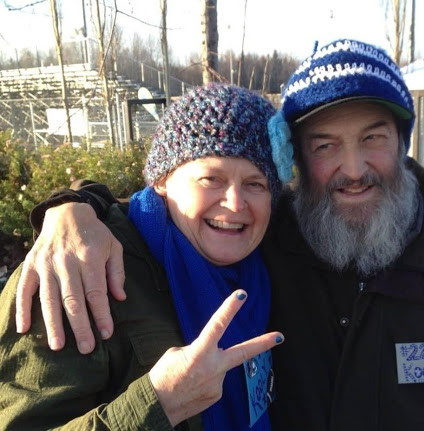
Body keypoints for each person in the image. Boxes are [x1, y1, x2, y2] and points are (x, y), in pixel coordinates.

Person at [16, 39, 424, 430]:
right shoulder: (267, 244)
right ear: (298, 161)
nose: (354, 168)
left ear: (402, 143)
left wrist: (74, 207)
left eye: (373, 139)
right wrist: (73, 209)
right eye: (325, 145)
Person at [0, 83, 287, 430]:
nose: (236, 203)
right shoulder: (79, 270)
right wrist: (158, 402)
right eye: (212, 178)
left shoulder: (265, 268)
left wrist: (73, 203)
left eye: (256, 184)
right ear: (163, 181)